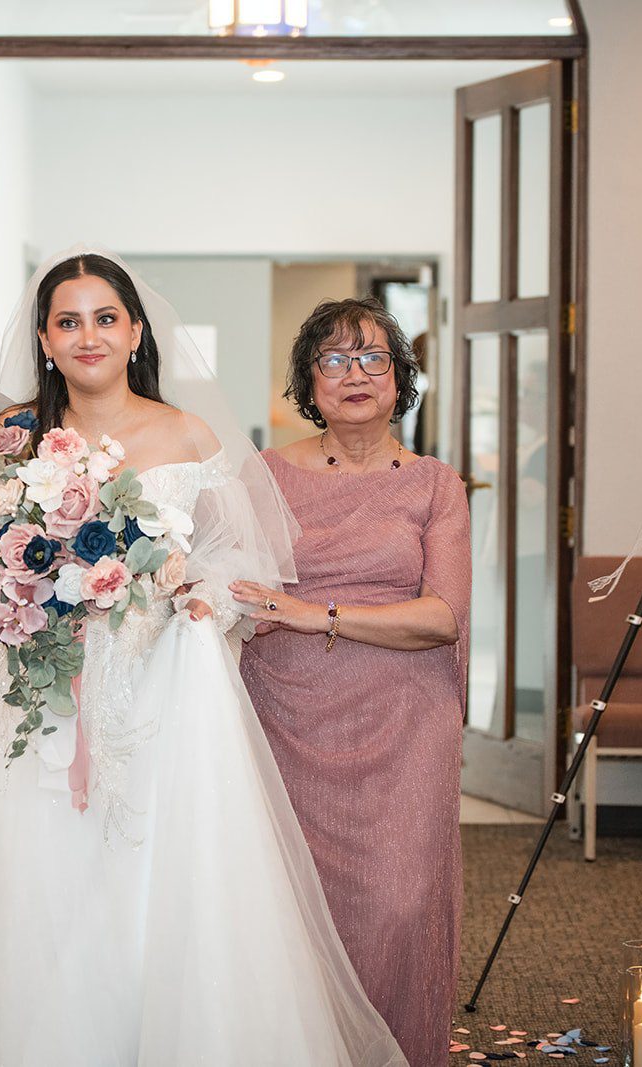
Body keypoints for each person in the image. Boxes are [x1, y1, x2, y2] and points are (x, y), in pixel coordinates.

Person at [0, 250, 406, 1066]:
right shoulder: (16, 436)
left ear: (136, 331)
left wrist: (200, 591)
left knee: (163, 878)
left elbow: (240, 554)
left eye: (105, 318)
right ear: (44, 338)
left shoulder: (186, 431)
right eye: (68, 321)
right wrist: (16, 584)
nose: (88, 336)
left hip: (164, 687)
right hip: (44, 690)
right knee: (43, 878)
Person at [233, 297, 469, 1066]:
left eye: (373, 357)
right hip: (288, 717)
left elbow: (442, 616)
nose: (354, 374)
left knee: (399, 904)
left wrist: (315, 613)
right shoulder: (265, 476)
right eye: (333, 359)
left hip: (405, 722)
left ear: (400, 377)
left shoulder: (435, 484)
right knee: (296, 904)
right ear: (309, 381)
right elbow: (236, 590)